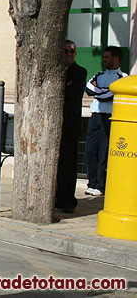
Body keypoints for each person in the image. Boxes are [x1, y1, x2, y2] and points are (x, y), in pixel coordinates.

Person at [83, 46, 127, 197]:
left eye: (107, 57)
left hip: (108, 117)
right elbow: (89, 89)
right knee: (90, 151)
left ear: (116, 59)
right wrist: (102, 91)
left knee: (103, 152)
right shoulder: (99, 75)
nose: (104, 59)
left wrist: (99, 91)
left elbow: (109, 94)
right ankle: (92, 183)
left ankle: (101, 185)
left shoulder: (122, 77)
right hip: (95, 116)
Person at [56, 40, 87, 213]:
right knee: (56, 165)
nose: (69, 54)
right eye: (66, 51)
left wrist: (63, 87)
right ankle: (57, 197)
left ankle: (68, 200)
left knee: (68, 165)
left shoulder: (79, 72)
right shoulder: (55, 70)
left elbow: (69, 92)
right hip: (54, 124)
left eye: (72, 51)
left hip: (70, 125)